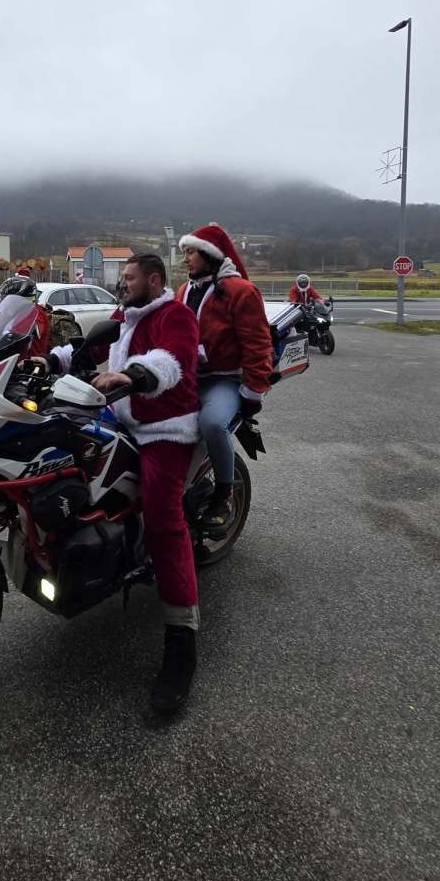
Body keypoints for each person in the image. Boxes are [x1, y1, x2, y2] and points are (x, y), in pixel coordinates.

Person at [47, 253, 201, 714]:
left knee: (163, 517)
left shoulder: (175, 315)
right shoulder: (126, 315)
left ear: (154, 280)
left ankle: (182, 642)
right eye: (123, 278)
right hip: (118, 418)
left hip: (164, 428)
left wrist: (132, 374)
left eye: (129, 278)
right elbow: (91, 350)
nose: (122, 283)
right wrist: (46, 359)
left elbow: (169, 361)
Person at [176, 225, 272, 534]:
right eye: (184, 252)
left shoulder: (241, 291)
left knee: (213, 423)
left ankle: (223, 495)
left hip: (224, 380)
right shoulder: (183, 290)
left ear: (209, 254)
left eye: (190, 252)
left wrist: (253, 390)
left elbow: (258, 345)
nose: (185, 259)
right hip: (186, 379)